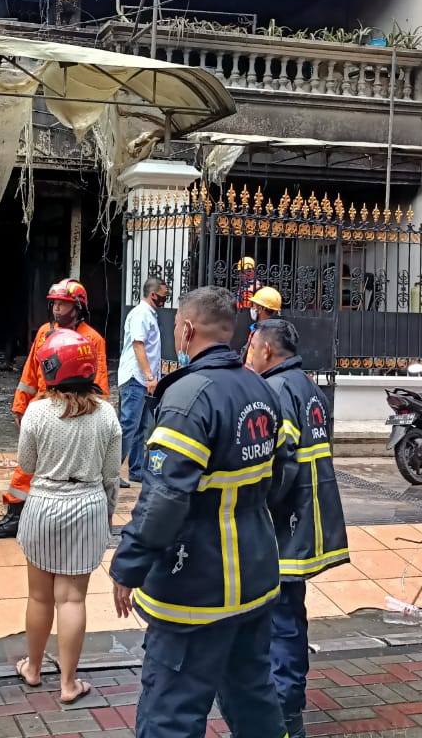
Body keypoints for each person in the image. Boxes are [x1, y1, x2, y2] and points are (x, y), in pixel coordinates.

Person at [109, 286, 296, 738]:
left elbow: (164, 498)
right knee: (253, 698)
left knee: (170, 712)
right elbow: (284, 470)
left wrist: (128, 566)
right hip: (254, 577)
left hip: (195, 587)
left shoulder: (189, 398)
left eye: (176, 327)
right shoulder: (262, 388)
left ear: (187, 329)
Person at [248, 319, 348, 738]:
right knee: (291, 615)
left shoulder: (275, 389)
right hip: (311, 522)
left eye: (251, 345)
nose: (246, 352)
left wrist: (258, 506)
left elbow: (280, 460)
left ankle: (286, 717)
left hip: (287, 526)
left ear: (268, 350)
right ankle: (289, 705)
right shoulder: (309, 388)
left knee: (281, 621)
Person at [15, 329, 121, 704]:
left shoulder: (38, 412)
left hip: (43, 503)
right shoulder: (106, 413)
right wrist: (109, 512)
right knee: (72, 600)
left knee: (40, 597)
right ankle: (68, 683)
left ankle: (32, 667)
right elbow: (112, 475)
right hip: (87, 504)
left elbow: (26, 463)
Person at [0, 279, 109, 539]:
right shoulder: (44, 332)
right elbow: (30, 373)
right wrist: (20, 407)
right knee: (26, 465)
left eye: (62, 304)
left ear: (77, 308)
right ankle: (16, 514)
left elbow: (98, 383)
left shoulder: (92, 339)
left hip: (73, 411)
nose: (56, 309)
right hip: (41, 408)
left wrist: (95, 415)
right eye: (54, 303)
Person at [117, 277, 166, 487]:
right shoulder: (140, 315)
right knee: (128, 426)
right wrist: (148, 375)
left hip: (144, 381)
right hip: (136, 378)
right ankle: (111, 472)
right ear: (153, 295)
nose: (165, 299)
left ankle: (136, 471)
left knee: (141, 427)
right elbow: (139, 345)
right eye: (163, 295)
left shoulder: (149, 315)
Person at [242, 286, 283, 371]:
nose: (252, 308)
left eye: (254, 305)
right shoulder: (279, 332)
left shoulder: (260, 334)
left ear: (260, 308)